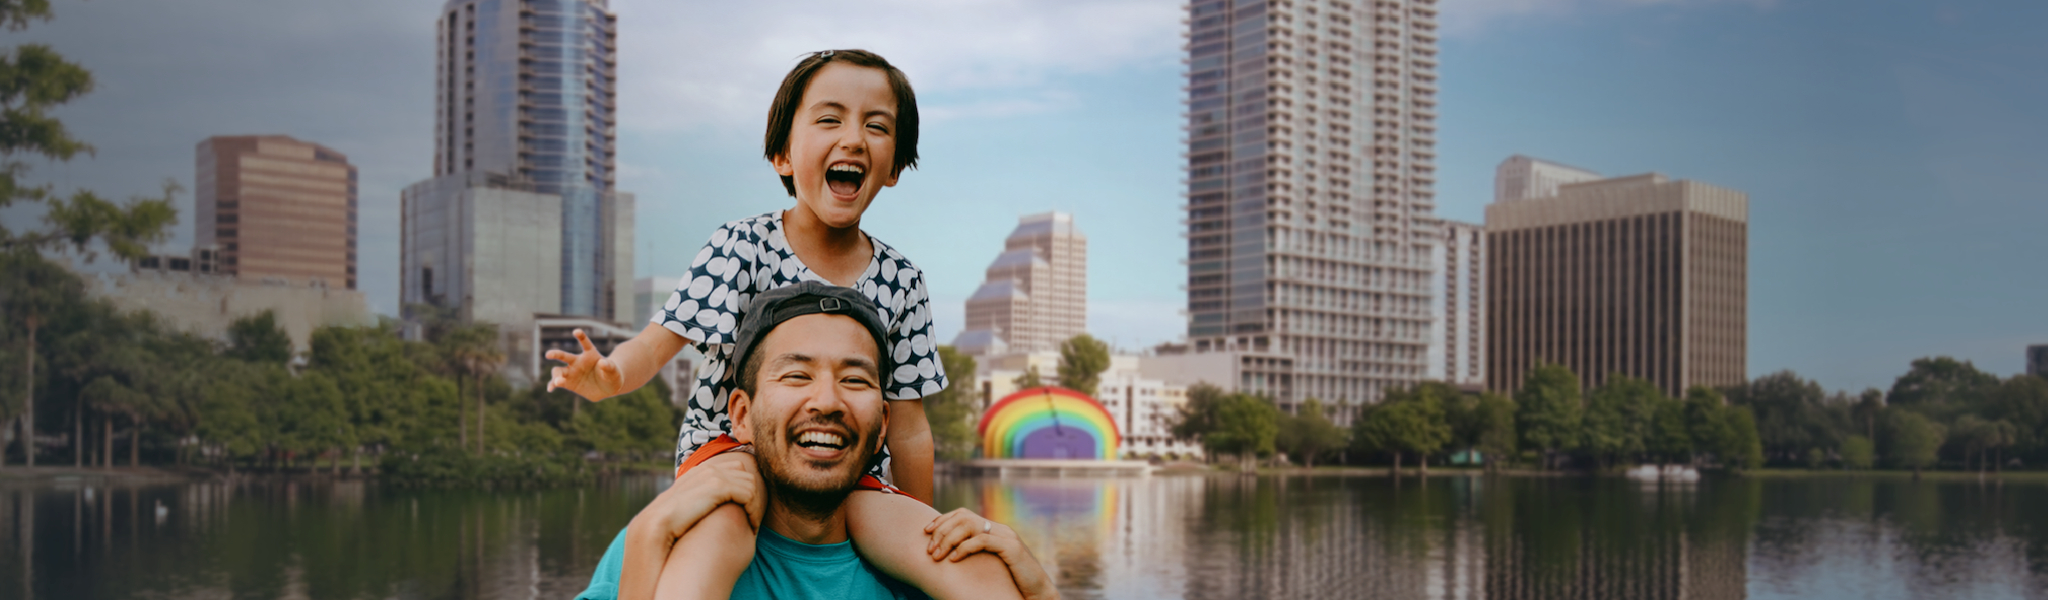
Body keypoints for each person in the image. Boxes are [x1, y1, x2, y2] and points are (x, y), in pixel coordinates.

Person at [546, 49, 981, 600]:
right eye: (829, 119)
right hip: (732, 450)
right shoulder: (740, 245)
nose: (853, 138)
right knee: (720, 530)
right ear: (782, 155)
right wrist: (609, 377)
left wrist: (927, 521)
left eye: (876, 126)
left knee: (926, 551)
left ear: (893, 167)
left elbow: (911, 425)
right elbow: (657, 345)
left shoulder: (901, 279)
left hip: (846, 469)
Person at [575, 284, 1056, 599]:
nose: (826, 400)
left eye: (854, 380)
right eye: (797, 374)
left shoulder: (927, 574)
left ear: (882, 424)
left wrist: (1040, 591)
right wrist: (646, 537)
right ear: (741, 416)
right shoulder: (665, 546)